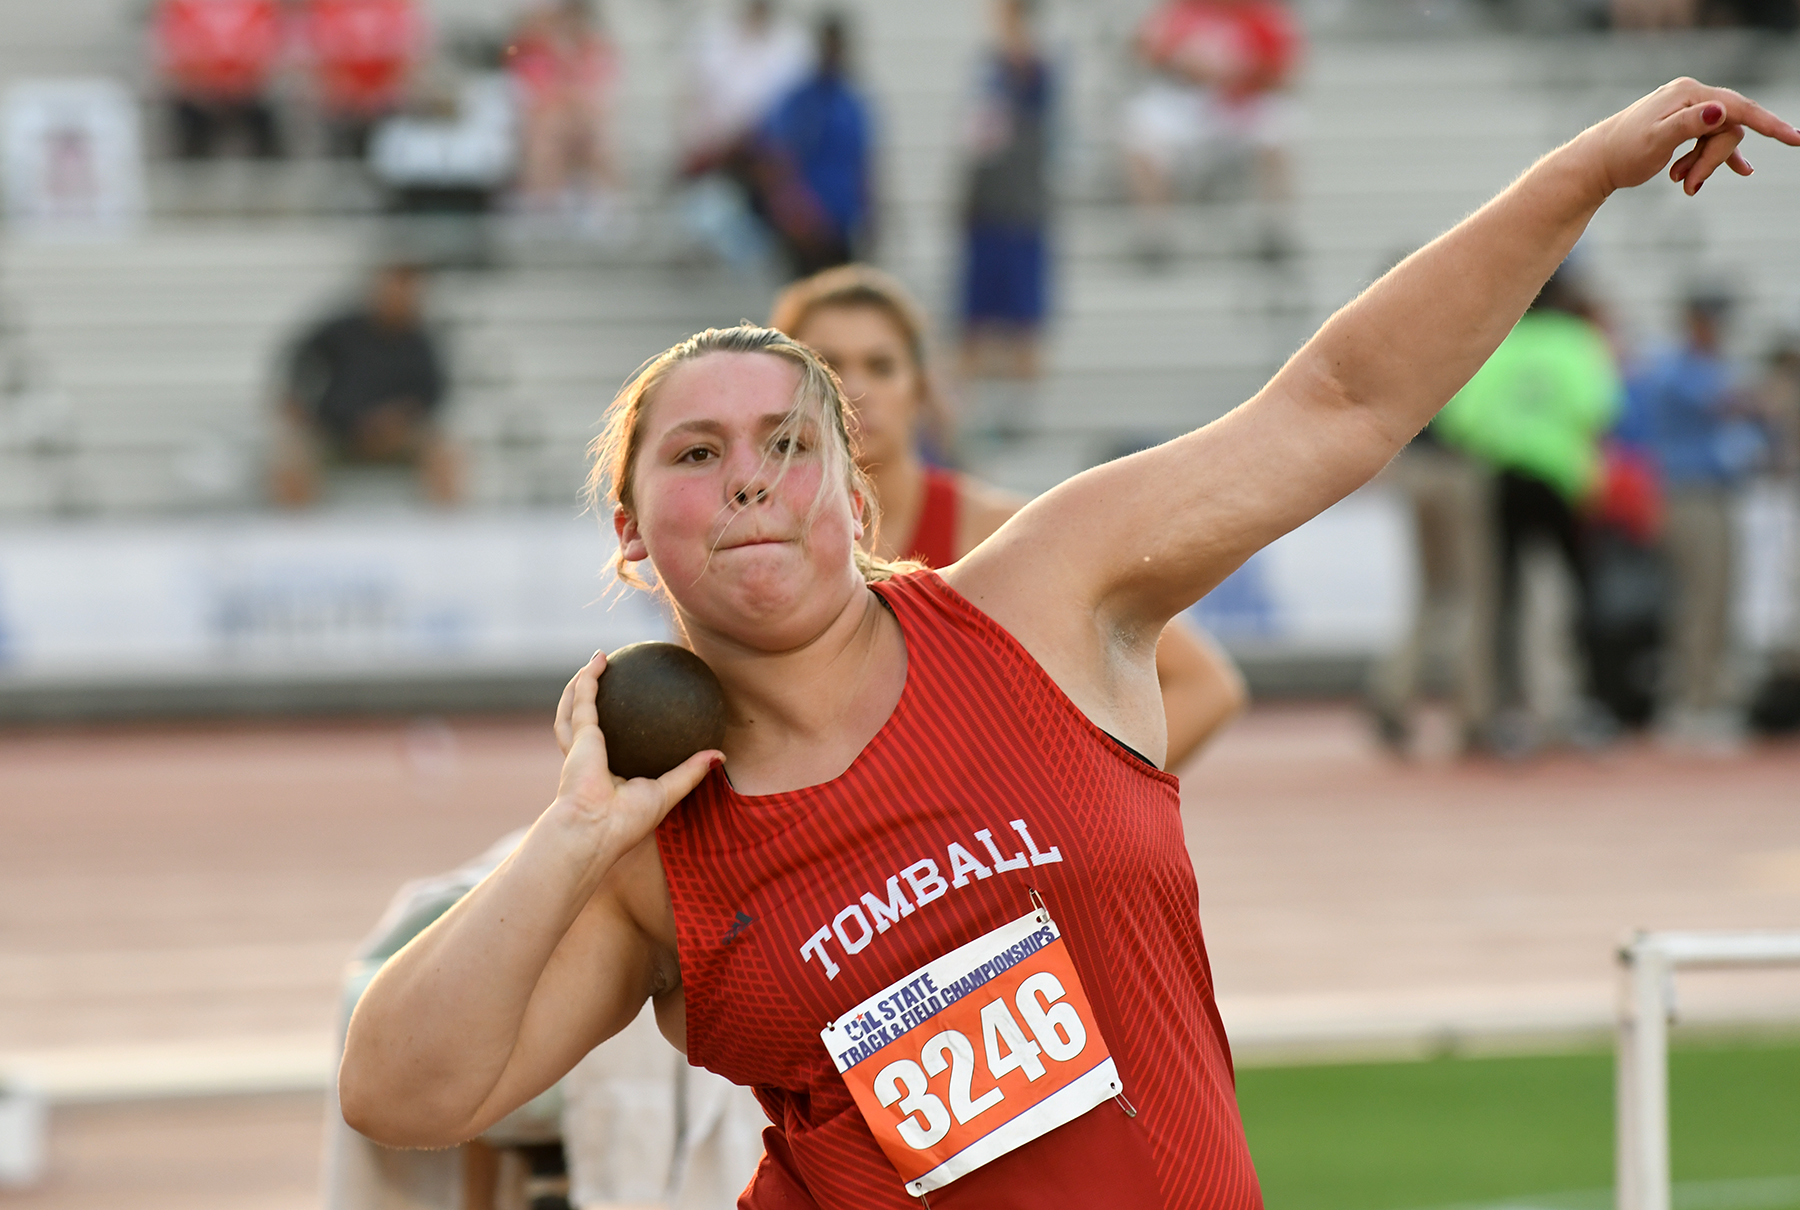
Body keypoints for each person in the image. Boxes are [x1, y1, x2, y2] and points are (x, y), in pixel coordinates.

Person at [339, 81, 1798, 1208]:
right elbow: (400, 1090)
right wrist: (570, 834)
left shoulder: (1041, 599)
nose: (744, 478)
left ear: (858, 494)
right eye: (696, 453)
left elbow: (1341, 402)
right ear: (628, 531)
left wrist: (1581, 172)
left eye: (788, 445)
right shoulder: (657, 847)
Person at [770, 263, 1246, 767]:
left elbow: (1204, 687)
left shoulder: (1001, 531)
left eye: (881, 365)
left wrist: (1076, 808)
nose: (855, 389)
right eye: (829, 367)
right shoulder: (754, 541)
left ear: (920, 389)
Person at [1434, 268, 1624, 752]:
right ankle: (1586, 703)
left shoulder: (1501, 342)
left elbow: (1462, 421)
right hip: (1562, 480)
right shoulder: (1579, 341)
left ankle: (1508, 710)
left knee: (1505, 598)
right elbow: (1600, 410)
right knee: (1581, 592)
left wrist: (1510, 437)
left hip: (1507, 477)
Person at [1632, 288, 1766, 741]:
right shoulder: (1674, 367)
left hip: (1716, 493)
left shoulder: (1710, 366)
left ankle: (1707, 695)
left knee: (1717, 599)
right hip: (1687, 494)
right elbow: (1733, 403)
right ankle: (1688, 702)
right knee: (1697, 600)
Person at [1121, 0, 1303, 265]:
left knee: (1280, 121)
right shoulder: (1181, 11)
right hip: (1188, 105)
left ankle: (1274, 226)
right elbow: (1143, 53)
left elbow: (1286, 74)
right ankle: (1155, 231)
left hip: (1239, 103)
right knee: (1139, 124)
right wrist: (1183, 63)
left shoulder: (1260, 14)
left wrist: (1241, 69)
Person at [271, 262, 460, 507]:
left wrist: (399, 421)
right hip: (336, 433)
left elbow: (433, 394)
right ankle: (295, 535)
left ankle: (445, 534)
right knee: (292, 455)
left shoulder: (421, 343)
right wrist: (296, 399)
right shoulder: (341, 331)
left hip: (396, 438)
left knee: (445, 453)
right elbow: (301, 358)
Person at [959, 0, 1054, 381]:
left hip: (1020, 209)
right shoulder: (986, 70)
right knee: (974, 317)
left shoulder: (1034, 67)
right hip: (986, 204)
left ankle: (1023, 400)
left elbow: (1024, 64)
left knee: (1023, 317)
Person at [751, 13, 873, 277]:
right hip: (805, 225)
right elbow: (773, 158)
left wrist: (870, 213)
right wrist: (793, 210)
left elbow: (864, 163)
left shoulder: (851, 102)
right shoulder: (797, 100)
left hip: (842, 222)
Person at [508, 0, 621, 227]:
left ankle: (601, 204)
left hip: (579, 119)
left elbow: (599, 91)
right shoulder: (531, 48)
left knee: (596, 136)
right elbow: (534, 92)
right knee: (546, 135)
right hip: (547, 119)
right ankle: (543, 202)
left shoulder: (593, 48)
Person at [151, 0, 285, 160]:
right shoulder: (180, 6)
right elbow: (171, 51)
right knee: (186, 123)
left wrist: (241, 83)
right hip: (198, 94)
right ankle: (189, 176)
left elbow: (272, 51)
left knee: (269, 121)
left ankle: (270, 177)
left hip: (248, 93)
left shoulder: (262, 6)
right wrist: (204, 86)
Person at [298, 0, 427, 158]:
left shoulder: (396, 6)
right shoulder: (328, 7)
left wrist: (379, 93)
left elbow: (409, 55)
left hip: (385, 96)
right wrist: (349, 92)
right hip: (342, 98)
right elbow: (319, 55)